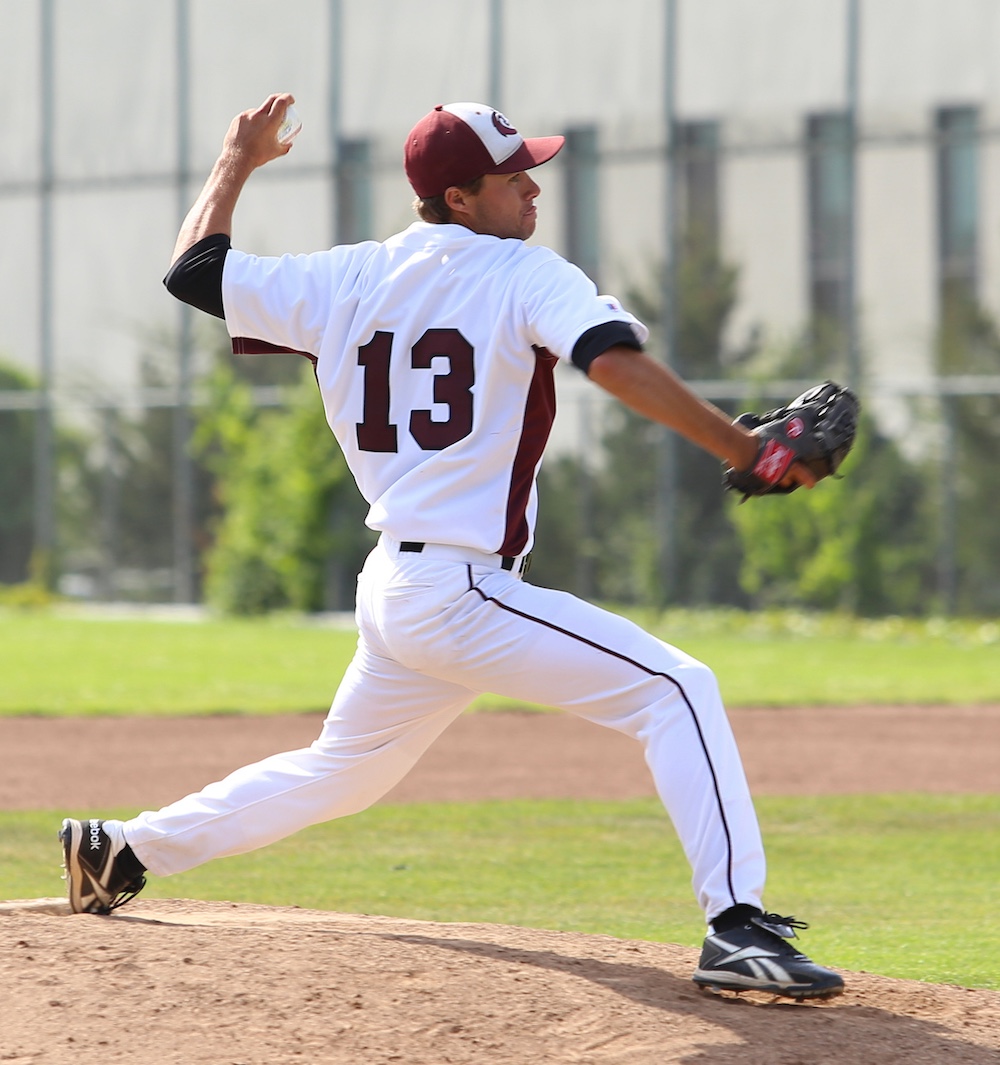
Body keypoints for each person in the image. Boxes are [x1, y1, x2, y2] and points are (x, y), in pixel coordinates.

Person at [60, 94, 843, 1000]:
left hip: (400, 583)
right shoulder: (525, 275)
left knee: (344, 770)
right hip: (460, 590)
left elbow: (197, 272)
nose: (534, 190)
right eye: (515, 178)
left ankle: (120, 847)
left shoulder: (346, 276)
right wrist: (749, 450)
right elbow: (613, 362)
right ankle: (736, 926)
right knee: (677, 687)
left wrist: (236, 161)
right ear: (463, 198)